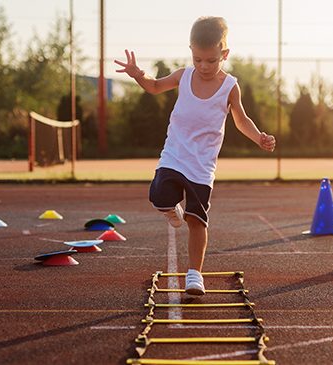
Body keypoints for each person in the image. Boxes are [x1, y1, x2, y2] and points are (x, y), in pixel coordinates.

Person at [115, 16, 276, 296]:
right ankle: (171, 211)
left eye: (211, 60)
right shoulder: (183, 75)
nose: (203, 66)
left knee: (197, 221)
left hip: (202, 166)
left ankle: (194, 274)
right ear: (191, 50)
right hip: (175, 155)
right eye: (198, 59)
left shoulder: (230, 87)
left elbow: (241, 120)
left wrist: (259, 137)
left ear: (224, 54)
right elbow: (154, 87)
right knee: (158, 195)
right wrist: (138, 74)